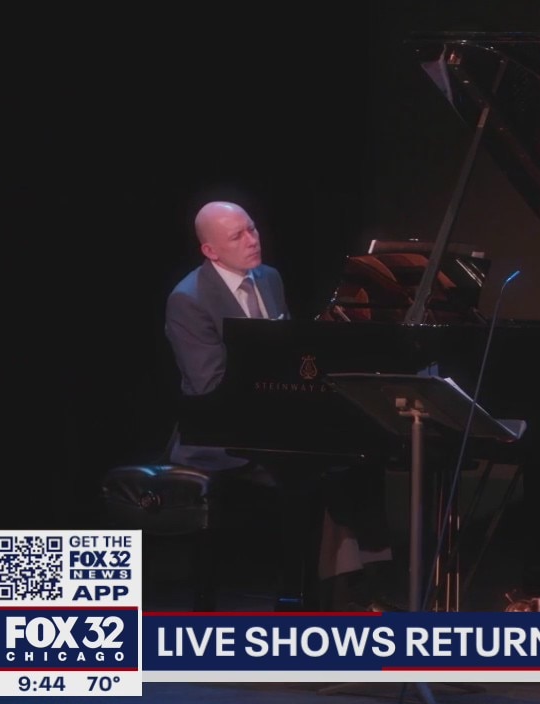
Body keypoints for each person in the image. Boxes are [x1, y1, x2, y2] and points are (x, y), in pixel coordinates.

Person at [164, 200, 394, 610]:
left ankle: (362, 585)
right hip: (217, 435)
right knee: (312, 470)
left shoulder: (269, 278)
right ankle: (303, 598)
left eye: (252, 229)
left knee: (362, 456)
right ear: (210, 251)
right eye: (237, 236)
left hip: (273, 419)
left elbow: (287, 354)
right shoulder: (189, 299)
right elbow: (208, 385)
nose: (252, 240)